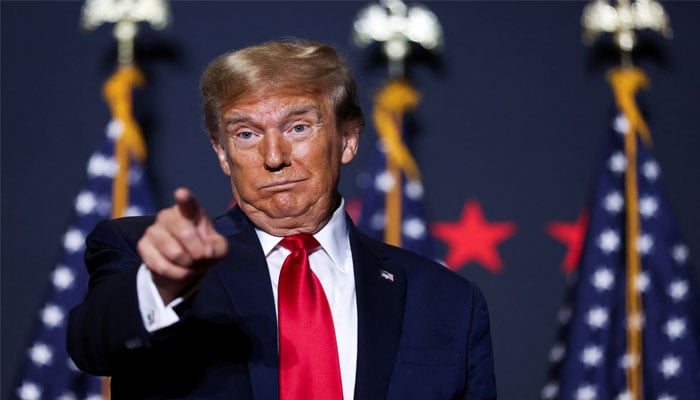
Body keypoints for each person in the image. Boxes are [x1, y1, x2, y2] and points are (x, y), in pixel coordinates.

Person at [67, 39, 497, 400]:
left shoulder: (448, 301)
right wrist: (163, 282)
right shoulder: (144, 253)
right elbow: (92, 345)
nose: (274, 158)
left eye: (298, 127)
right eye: (247, 134)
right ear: (222, 153)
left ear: (347, 140)